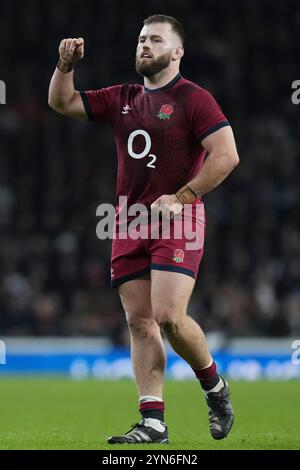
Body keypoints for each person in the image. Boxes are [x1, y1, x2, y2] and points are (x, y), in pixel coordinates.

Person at [48, 14, 239, 445]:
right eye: (141, 39)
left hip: (178, 217)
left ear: (178, 51)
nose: (144, 45)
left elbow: (226, 155)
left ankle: (215, 387)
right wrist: (64, 66)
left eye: (155, 39)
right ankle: (153, 423)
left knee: (170, 317)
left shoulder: (195, 98)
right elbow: (63, 103)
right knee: (139, 322)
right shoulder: (123, 97)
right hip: (129, 221)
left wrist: (182, 198)